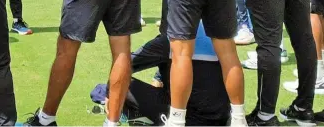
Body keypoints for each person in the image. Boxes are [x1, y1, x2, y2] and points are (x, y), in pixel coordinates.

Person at [95, 24, 231, 126]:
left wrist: (109, 92)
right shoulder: (217, 36)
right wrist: (158, 77)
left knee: (106, 88)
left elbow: (124, 67)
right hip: (222, 117)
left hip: (188, 118)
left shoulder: (167, 41)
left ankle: (135, 115)